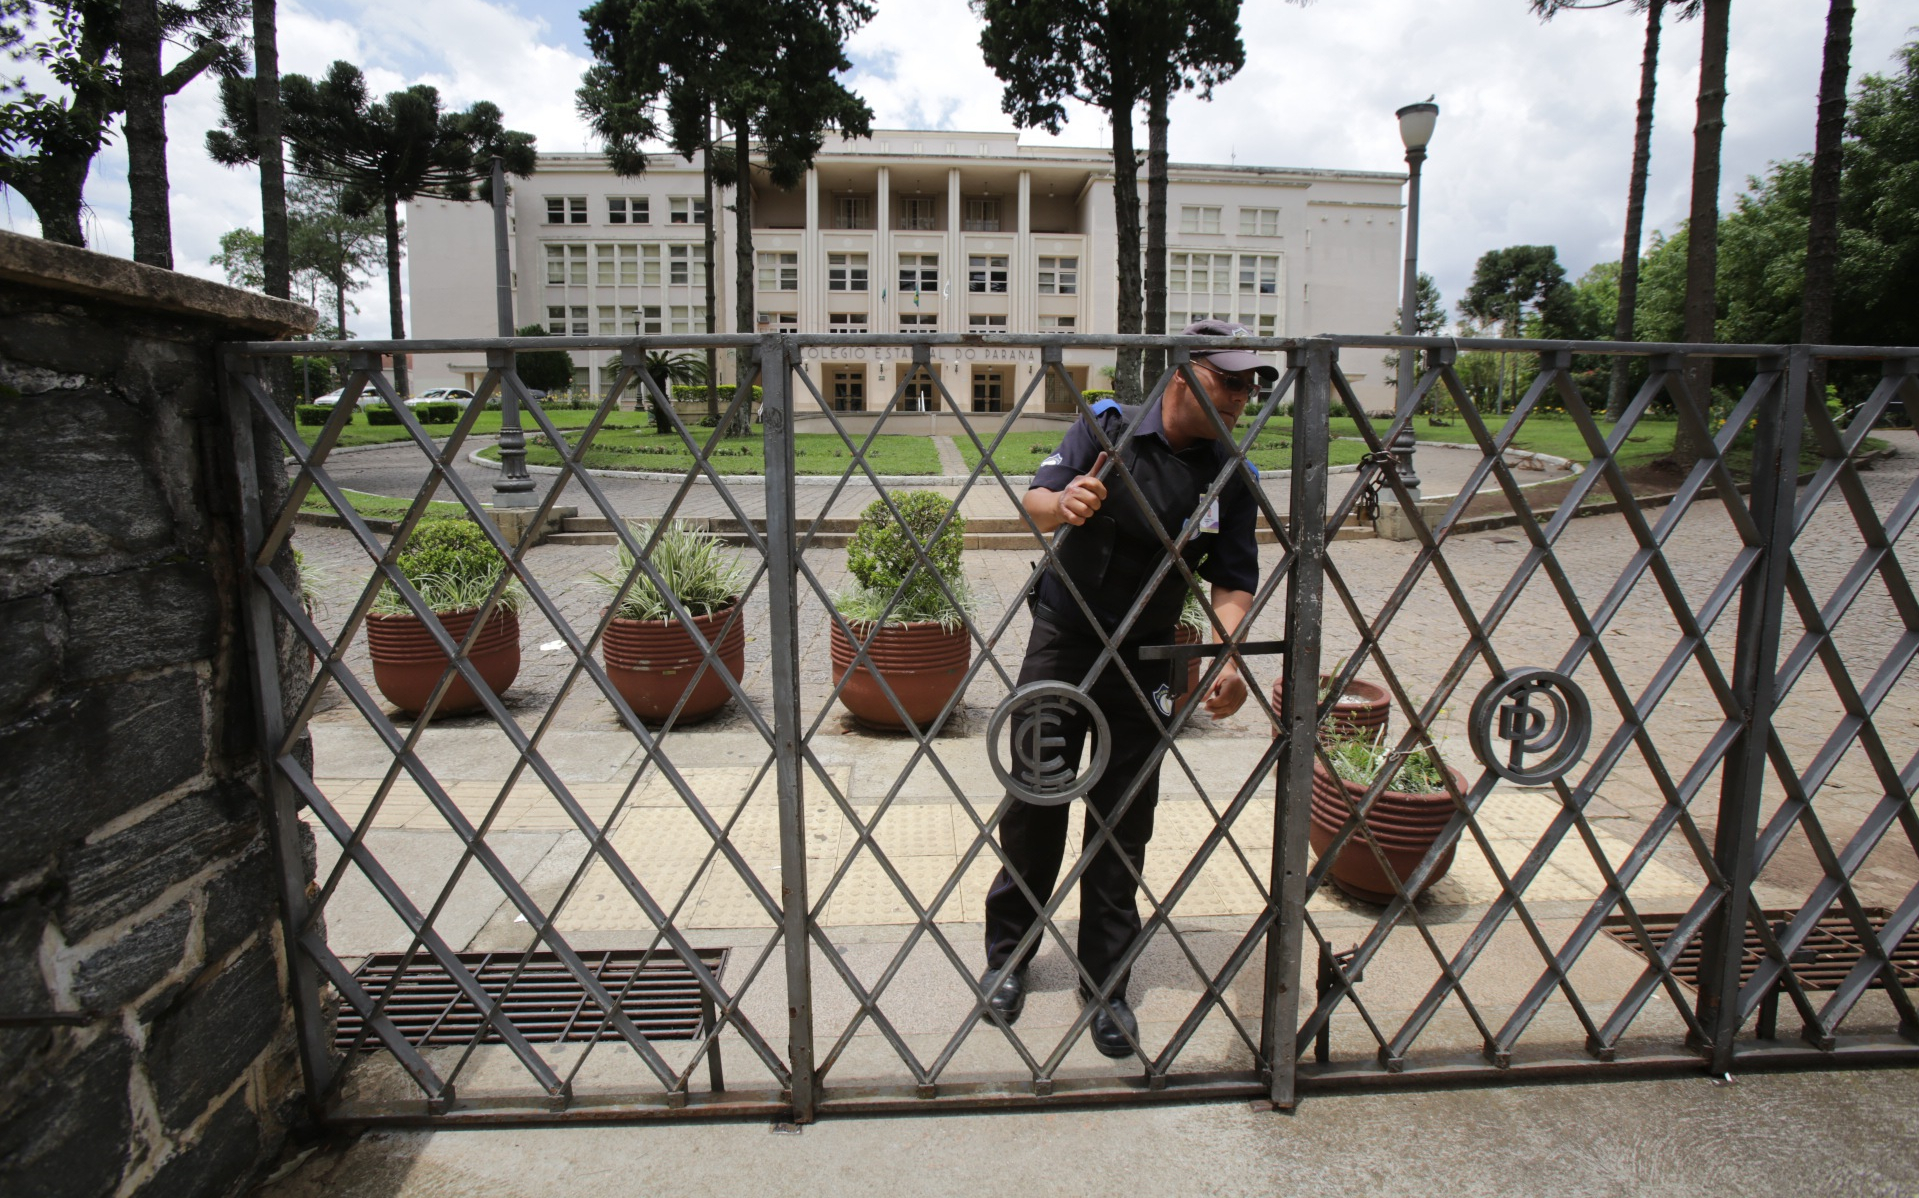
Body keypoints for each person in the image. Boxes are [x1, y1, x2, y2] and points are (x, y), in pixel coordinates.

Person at [981, 319, 1275, 1057]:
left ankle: (1106, 981)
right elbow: (1035, 498)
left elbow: (1233, 580)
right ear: (1183, 373)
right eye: (1229, 380)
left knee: (1123, 818)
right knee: (1035, 796)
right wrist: (1064, 504)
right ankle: (1008, 958)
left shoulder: (1230, 474)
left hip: (1147, 657)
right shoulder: (1105, 427)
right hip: (1064, 640)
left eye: (1250, 385)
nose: (1242, 396)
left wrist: (1227, 653)